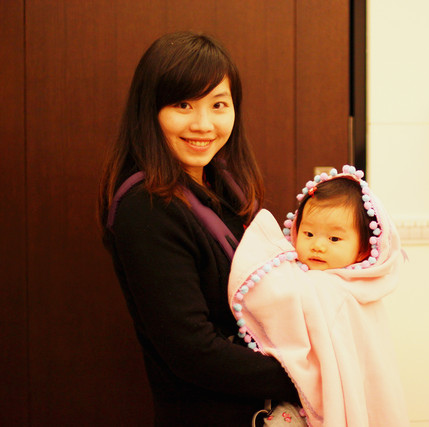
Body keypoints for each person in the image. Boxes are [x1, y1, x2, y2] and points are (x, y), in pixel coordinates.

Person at [98, 31, 299, 426]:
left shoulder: (223, 185)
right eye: (183, 104)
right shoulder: (148, 208)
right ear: (149, 111)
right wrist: (309, 374)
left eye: (218, 105)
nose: (203, 124)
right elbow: (194, 352)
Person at [228, 165, 410, 426]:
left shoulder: (331, 288)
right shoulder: (331, 282)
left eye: (334, 239)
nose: (318, 245)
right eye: (309, 233)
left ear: (362, 249)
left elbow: (274, 298)